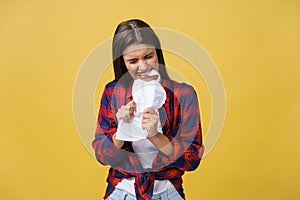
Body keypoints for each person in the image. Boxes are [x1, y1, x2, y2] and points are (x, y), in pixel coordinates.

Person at [92, 19, 204, 200]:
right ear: (123, 62)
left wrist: (156, 136)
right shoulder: (113, 92)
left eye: (148, 56)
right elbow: (102, 155)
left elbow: (192, 159)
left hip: (168, 191)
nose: (143, 66)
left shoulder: (184, 94)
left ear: (157, 53)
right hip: (122, 191)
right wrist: (122, 131)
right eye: (133, 60)